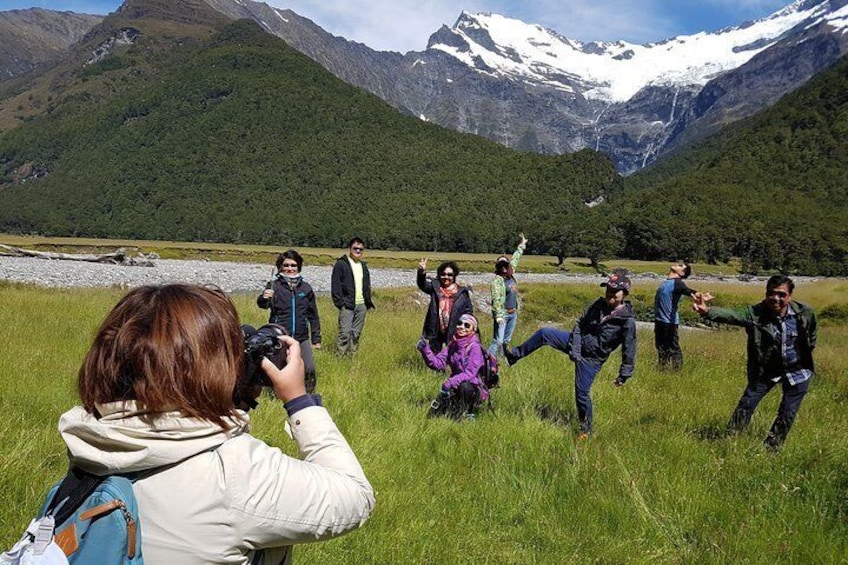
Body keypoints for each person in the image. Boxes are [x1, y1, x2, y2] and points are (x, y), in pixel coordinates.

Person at [58, 284, 375, 564]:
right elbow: (355, 496)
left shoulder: (91, 441)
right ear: (213, 368)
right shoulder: (234, 474)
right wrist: (299, 401)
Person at [504, 273, 637, 438]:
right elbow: (579, 324)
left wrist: (624, 374)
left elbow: (629, 348)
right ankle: (514, 355)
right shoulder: (598, 304)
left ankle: (585, 430)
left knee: (581, 394)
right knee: (544, 333)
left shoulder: (627, 321)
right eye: (608, 289)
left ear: (624, 293)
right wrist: (575, 348)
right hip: (576, 343)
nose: (610, 293)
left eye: (615, 291)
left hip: (591, 359)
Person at [692, 275, 817, 450]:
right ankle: (730, 440)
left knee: (787, 412)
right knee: (746, 404)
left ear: (790, 296)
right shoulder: (755, 313)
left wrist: (802, 357)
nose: (775, 298)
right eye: (771, 293)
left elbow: (811, 337)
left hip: (798, 370)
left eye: (781, 294)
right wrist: (707, 311)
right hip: (767, 369)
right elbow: (734, 315)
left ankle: (771, 448)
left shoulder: (804, 313)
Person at [258, 249, 321, 393]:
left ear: (299, 267)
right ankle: (274, 395)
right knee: (277, 367)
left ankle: (308, 395)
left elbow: (313, 315)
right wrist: (264, 297)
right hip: (279, 335)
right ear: (280, 267)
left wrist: (316, 338)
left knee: (309, 367)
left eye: (293, 265)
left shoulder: (306, 288)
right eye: (286, 265)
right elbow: (263, 305)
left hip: (300, 336)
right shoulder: (274, 285)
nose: (290, 269)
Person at [417, 314, 489, 420]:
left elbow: (470, 374)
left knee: (464, 387)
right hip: (455, 387)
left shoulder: (475, 347)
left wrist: (450, 382)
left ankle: (468, 413)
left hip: (473, 389)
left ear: (473, 330)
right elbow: (438, 364)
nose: (462, 327)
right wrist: (425, 349)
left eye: (467, 325)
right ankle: (456, 409)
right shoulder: (453, 344)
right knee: (434, 415)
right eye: (460, 323)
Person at [416, 258, 474, 351]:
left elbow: (468, 311)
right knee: (435, 357)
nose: (446, 277)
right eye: (443, 274)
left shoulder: (462, 292)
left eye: (449, 274)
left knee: (454, 358)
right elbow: (422, 284)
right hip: (436, 329)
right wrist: (421, 272)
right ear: (439, 275)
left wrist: (467, 326)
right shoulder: (435, 288)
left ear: (454, 275)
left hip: (454, 330)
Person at [331, 237, 375, 355]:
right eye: (355, 248)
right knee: (344, 333)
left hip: (361, 305)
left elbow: (366, 284)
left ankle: (352, 357)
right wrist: (340, 303)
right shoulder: (341, 264)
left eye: (361, 249)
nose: (358, 251)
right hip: (347, 304)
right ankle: (340, 358)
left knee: (356, 334)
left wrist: (367, 302)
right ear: (350, 248)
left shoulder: (363, 266)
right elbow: (335, 285)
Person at [653, 262, 699, 370]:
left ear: (682, 273)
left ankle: (677, 371)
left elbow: (688, 291)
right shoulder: (668, 282)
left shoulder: (677, 283)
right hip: (660, 320)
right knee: (661, 347)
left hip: (669, 322)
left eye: (681, 266)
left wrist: (698, 296)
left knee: (673, 347)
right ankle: (662, 369)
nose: (677, 264)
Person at [489, 233, 528, 357]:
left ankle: (501, 361)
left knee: (506, 341)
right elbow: (496, 299)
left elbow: (516, 258)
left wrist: (522, 245)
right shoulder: (497, 281)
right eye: (501, 266)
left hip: (513, 313)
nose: (504, 268)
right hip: (503, 314)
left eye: (505, 265)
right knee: (498, 340)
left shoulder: (511, 274)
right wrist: (499, 316)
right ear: (498, 267)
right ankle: (486, 361)